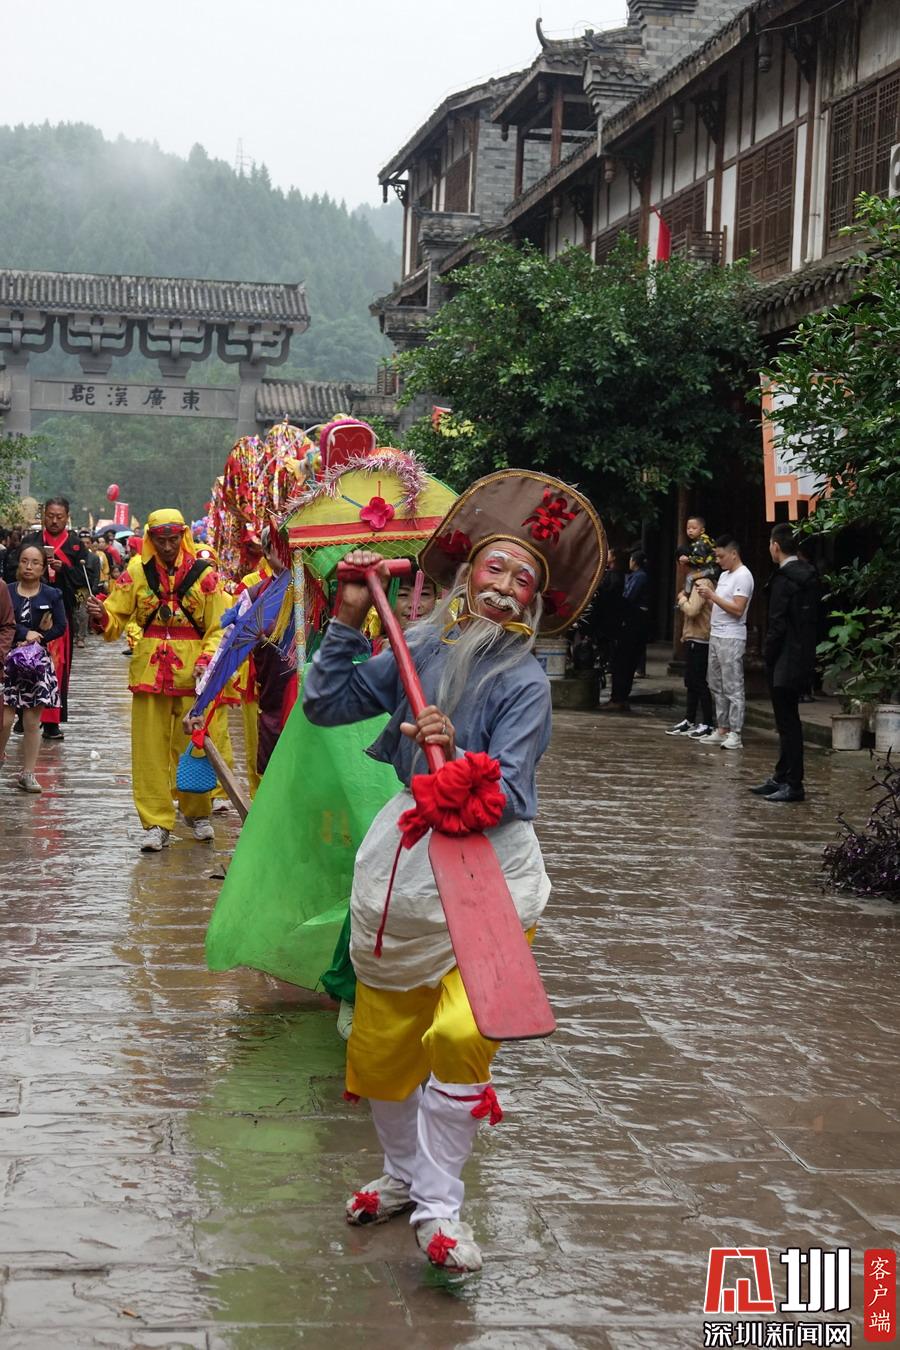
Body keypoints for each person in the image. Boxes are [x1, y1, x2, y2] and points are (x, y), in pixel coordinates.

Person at [303, 470, 606, 1274]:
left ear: (535, 601)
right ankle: (404, 1177)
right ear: (468, 573)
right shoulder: (420, 644)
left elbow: (507, 793)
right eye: (495, 568)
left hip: (488, 876)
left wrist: (455, 754)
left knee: (465, 1032)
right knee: (384, 1044)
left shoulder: (526, 682)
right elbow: (326, 704)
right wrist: (347, 617)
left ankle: (441, 1208)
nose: (504, 588)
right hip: (404, 872)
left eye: (523, 579)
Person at [86, 509, 226, 851]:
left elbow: (220, 626)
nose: (167, 546)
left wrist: (207, 660)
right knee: (148, 751)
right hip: (149, 673)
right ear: (150, 538)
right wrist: (102, 614)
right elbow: (116, 615)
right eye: (160, 540)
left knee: (193, 746)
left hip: (193, 675)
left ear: (183, 537)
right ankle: (156, 822)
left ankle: (198, 813)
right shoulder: (136, 572)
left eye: (173, 539)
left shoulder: (206, 575)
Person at [750, 523, 819, 803]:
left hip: (784, 658)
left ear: (775, 546)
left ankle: (794, 783)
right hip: (802, 653)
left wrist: (768, 655)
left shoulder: (784, 579)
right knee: (788, 720)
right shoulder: (810, 575)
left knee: (788, 723)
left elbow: (777, 624)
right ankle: (781, 776)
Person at [23, 497, 91, 741]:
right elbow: (13, 570)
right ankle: (24, 715)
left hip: (61, 612)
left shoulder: (75, 545)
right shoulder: (31, 541)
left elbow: (85, 579)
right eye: (50, 516)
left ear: (67, 517)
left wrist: (65, 569)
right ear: (44, 516)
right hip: (30, 610)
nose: (54, 521)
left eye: (59, 517)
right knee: (25, 662)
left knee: (57, 666)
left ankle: (51, 721)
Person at [0, 545, 67, 791]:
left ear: (43, 567)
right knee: (4, 719)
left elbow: (61, 625)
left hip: (36, 663)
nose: (29, 567)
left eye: (35, 562)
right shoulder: (6, 591)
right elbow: (4, 622)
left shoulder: (52, 595)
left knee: (31, 721)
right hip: (7, 661)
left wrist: (40, 637)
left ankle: (28, 773)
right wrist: (22, 633)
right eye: (24, 561)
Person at [695, 535, 754, 749]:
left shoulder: (743, 575)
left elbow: (737, 609)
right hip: (716, 633)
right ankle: (722, 728)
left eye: (721, 556)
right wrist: (708, 598)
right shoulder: (725, 575)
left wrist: (712, 596)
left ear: (733, 554)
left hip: (732, 635)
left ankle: (736, 733)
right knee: (716, 683)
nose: (718, 561)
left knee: (733, 685)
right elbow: (720, 606)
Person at [667, 568, 714, 737]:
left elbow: (693, 610)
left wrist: (681, 599)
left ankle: (707, 722)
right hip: (694, 637)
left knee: (699, 681)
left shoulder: (702, 583)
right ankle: (690, 719)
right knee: (691, 682)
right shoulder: (694, 583)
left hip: (700, 638)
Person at [605, 548, 649, 712]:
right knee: (625, 662)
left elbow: (628, 596)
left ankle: (619, 698)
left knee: (624, 662)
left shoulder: (639, 577)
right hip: (632, 621)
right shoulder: (632, 576)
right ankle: (620, 697)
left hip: (632, 622)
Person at [676, 515, 716, 597]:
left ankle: (686, 595)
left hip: (710, 569)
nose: (690, 530)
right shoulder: (702, 541)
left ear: (702, 530)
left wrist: (688, 559)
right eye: (688, 528)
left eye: (694, 528)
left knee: (689, 577)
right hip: (709, 569)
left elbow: (701, 559)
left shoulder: (700, 543)